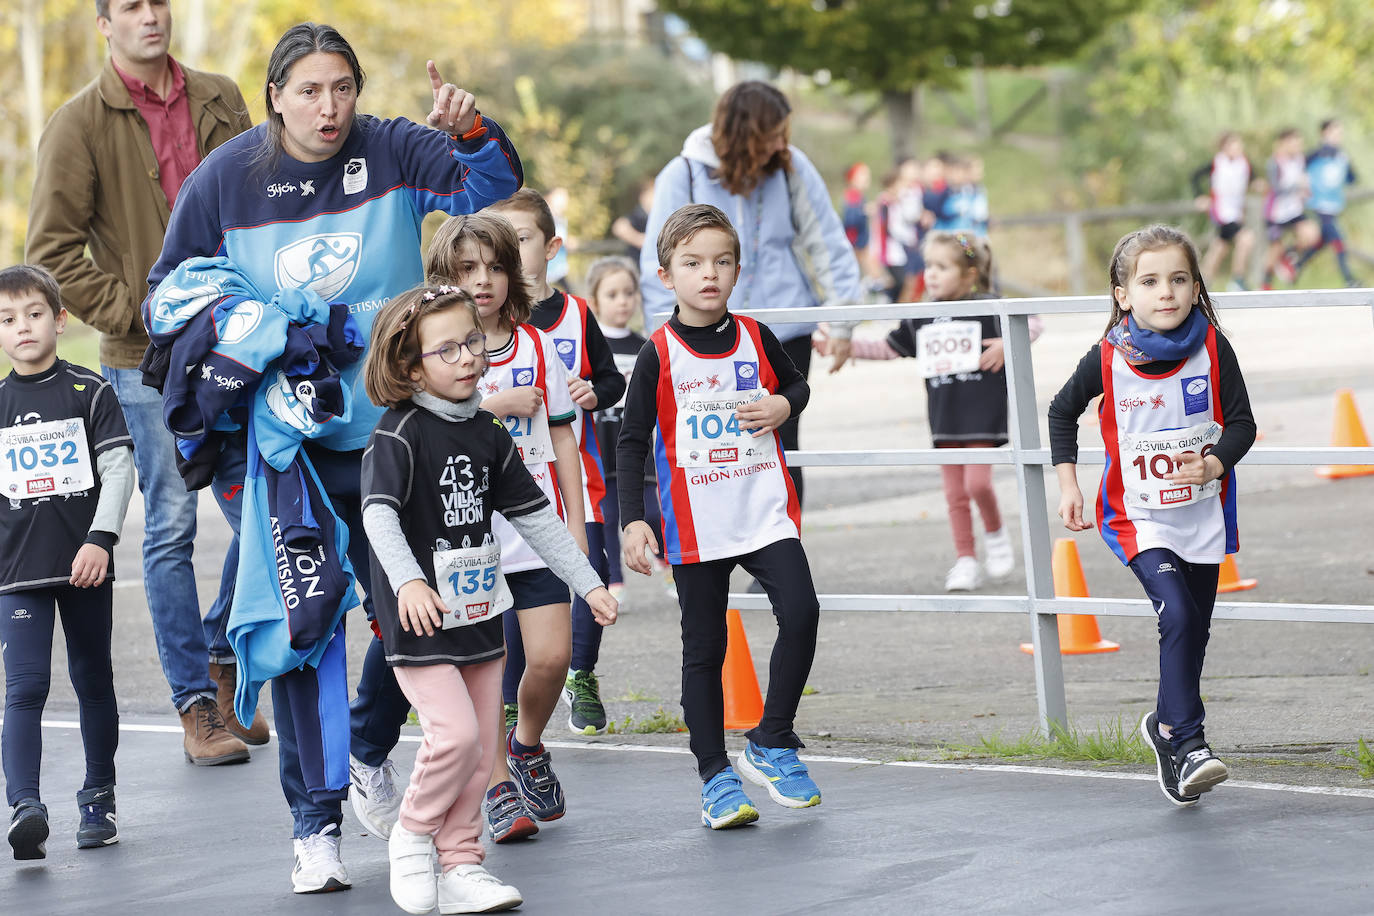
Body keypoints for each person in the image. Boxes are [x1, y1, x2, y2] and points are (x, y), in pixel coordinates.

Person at [143, 22, 523, 893]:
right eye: (309, 90)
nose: (329, 106)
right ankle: (313, 830)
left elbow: (492, 189)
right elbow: (169, 295)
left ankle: (368, 749)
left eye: (342, 86)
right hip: (292, 453)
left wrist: (470, 129)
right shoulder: (225, 178)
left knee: (421, 619)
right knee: (307, 633)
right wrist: (265, 332)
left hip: (399, 440)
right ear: (275, 94)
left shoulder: (390, 146)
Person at [25, 0, 258, 763]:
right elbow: (52, 253)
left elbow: (261, 205)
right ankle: (196, 709)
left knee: (265, 503)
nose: (149, 15)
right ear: (104, 23)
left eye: (158, 1)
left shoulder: (222, 95)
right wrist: (138, 313)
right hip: (147, 358)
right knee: (171, 524)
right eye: (130, 5)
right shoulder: (78, 123)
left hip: (242, 342)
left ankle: (225, 664)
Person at [359, 286, 615, 914]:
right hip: (420, 619)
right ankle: (413, 834)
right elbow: (377, 517)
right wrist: (409, 582)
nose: (468, 357)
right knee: (452, 737)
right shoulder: (399, 435)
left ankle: (462, 863)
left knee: (483, 746)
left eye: (472, 342)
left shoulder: (489, 432)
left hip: (479, 612)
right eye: (447, 350)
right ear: (411, 366)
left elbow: (537, 518)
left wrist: (587, 582)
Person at [619, 203, 823, 829]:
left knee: (804, 610)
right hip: (695, 522)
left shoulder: (757, 337)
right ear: (666, 275)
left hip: (762, 511)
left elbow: (798, 388)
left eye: (721, 262)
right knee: (703, 649)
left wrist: (783, 408)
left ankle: (772, 736)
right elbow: (630, 440)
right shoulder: (659, 354)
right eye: (692, 263)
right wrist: (633, 519)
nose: (708, 274)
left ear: (737, 271)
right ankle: (714, 775)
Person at [1048, 224, 1256, 807]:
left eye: (1178, 279)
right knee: (1180, 618)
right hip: (1136, 516)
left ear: (1195, 288)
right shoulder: (1109, 355)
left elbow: (1243, 423)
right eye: (1149, 281)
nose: (1165, 292)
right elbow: (1061, 412)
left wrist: (1214, 463)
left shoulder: (1213, 345)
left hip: (1201, 511)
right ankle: (1189, 744)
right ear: (1124, 295)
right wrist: (1069, 484)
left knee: (1196, 631)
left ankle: (1165, 727)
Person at [423, 213, 587, 843]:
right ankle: (495, 788)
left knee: (551, 656)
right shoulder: (431, 352)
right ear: (445, 278)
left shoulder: (538, 346)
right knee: (484, 666)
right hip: (466, 534)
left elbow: (563, 436)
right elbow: (423, 424)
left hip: (536, 528)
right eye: (467, 269)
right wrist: (490, 406)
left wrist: (576, 524)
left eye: (494, 266)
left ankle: (527, 746)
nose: (483, 280)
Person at [640, 81, 860, 509]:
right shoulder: (682, 174)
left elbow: (828, 241)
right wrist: (661, 336)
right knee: (716, 449)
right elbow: (659, 261)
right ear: (743, 131)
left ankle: (779, 557)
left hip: (783, 330)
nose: (781, 143)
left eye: (783, 132)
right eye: (771, 133)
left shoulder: (791, 167)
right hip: (705, 338)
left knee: (782, 443)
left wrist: (844, 322)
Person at [0, 265, 135, 859]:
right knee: (25, 686)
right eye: (7, 320)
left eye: (33, 314)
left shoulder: (90, 391)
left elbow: (119, 470)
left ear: (60, 319)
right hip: (16, 574)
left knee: (91, 681)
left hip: (85, 565)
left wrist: (100, 539)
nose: (22, 327)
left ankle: (97, 798)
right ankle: (25, 805)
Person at [822, 231, 1032, 591]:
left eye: (942, 267)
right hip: (944, 417)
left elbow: (1031, 322)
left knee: (977, 484)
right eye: (928, 266)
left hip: (982, 414)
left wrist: (1005, 343)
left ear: (969, 275)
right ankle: (965, 559)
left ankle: (996, 535)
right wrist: (844, 345)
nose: (931, 274)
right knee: (954, 494)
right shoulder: (922, 315)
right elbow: (888, 347)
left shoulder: (987, 305)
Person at [488, 190, 626, 736]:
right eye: (501, 241)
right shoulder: (477, 323)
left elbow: (612, 378)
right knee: (516, 592)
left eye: (520, 239)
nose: (511, 251)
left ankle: (581, 673)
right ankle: (510, 698)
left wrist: (592, 391)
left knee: (590, 571)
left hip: (575, 477)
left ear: (551, 247)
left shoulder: (572, 316)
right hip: (504, 490)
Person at [583, 256, 664, 599]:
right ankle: (614, 581)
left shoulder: (646, 345)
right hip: (602, 447)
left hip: (637, 448)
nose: (622, 301)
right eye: (613, 294)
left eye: (628, 293)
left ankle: (671, 562)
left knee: (654, 509)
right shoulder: (592, 346)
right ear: (594, 301)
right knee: (609, 516)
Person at [1293, 118, 1360, 287]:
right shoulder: (1315, 155)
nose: (1338, 136)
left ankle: (1295, 264)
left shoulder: (1341, 157)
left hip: (1333, 206)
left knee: (1321, 241)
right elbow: (1299, 172)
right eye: (1335, 132)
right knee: (1337, 238)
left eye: (1340, 133)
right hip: (1317, 206)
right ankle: (1349, 278)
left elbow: (1352, 179)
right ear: (1324, 133)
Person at [1191, 132, 1255, 291]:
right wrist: (1200, 196)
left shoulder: (1243, 163)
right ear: (1224, 147)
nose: (1238, 148)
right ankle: (1237, 280)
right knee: (1246, 238)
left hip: (1236, 211)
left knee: (1220, 246)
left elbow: (1253, 179)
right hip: (1222, 211)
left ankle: (1203, 280)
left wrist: (1258, 185)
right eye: (1234, 145)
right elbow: (1195, 176)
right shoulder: (1216, 163)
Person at [1261, 129, 1316, 288]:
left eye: (1300, 143)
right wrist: (1296, 187)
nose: (1298, 146)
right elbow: (1276, 189)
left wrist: (1306, 191)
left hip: (1294, 210)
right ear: (1284, 143)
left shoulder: (1300, 160)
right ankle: (1266, 284)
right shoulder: (1274, 162)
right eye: (1295, 143)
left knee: (1311, 234)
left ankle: (1287, 257)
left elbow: (1303, 182)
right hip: (1276, 212)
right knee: (1275, 249)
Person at [610, 178, 655, 263]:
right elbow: (619, 227)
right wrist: (642, 241)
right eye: (652, 194)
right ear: (643, 196)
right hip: (637, 262)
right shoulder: (639, 215)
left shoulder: (656, 216)